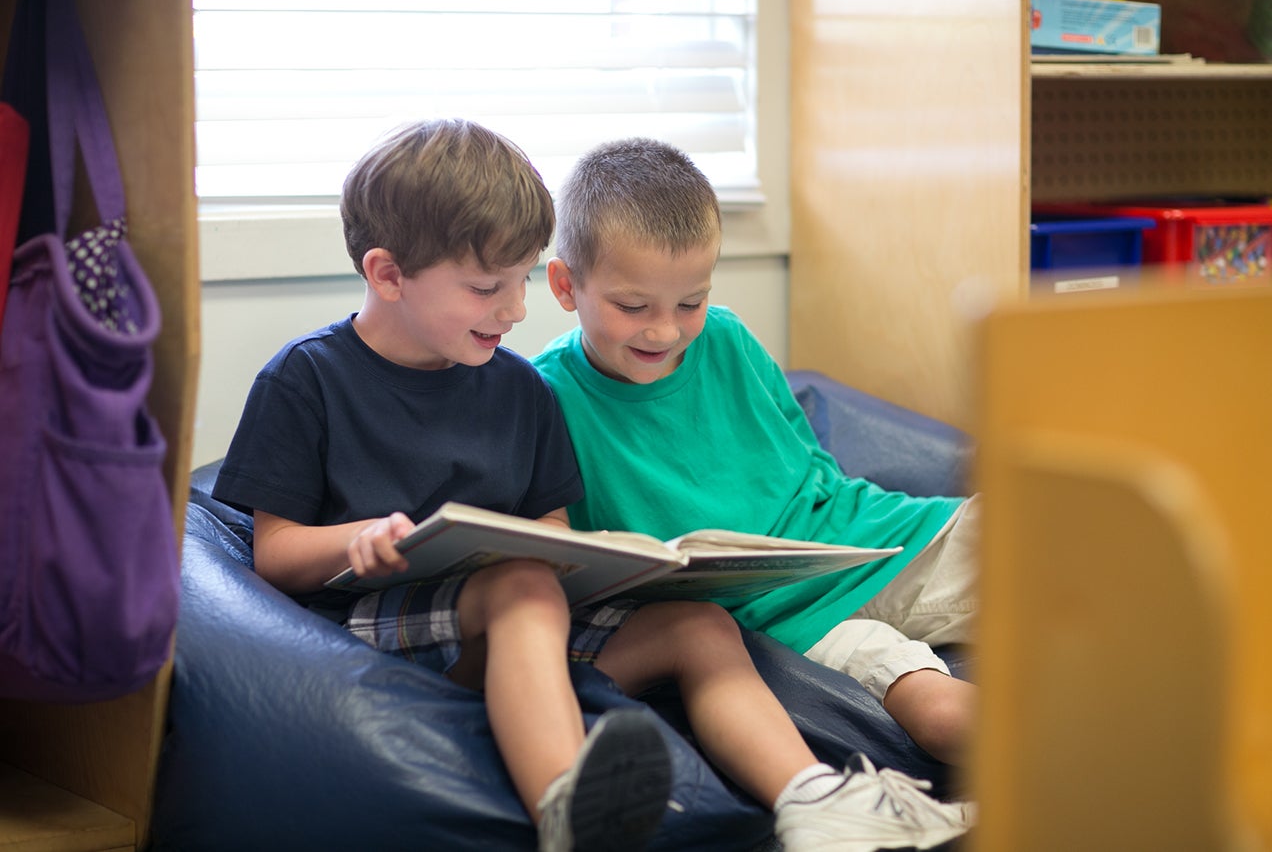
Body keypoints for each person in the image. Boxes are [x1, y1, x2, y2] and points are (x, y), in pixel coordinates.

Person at [212, 119, 972, 852]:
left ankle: (815, 801)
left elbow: (554, 542)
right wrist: (360, 539)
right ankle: (566, 801)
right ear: (387, 274)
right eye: (486, 289)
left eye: (517, 284)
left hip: (516, 635)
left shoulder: (516, 391)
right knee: (521, 584)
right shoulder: (307, 379)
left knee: (700, 622)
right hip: (379, 631)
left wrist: (618, 562)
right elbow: (272, 554)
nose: (514, 310)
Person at [533, 137, 981, 768]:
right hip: (785, 624)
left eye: (691, 301)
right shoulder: (544, 398)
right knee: (941, 715)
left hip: (866, 540)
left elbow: (816, 472)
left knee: (1083, 539)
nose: (665, 329)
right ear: (564, 285)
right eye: (632, 306)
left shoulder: (727, 337)